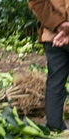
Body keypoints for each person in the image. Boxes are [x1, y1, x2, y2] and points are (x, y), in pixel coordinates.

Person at [28, 0, 69, 131]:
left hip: (53, 35)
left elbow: (36, 2)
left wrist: (58, 25)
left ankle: (55, 128)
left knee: (55, 83)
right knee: (55, 83)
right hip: (56, 36)